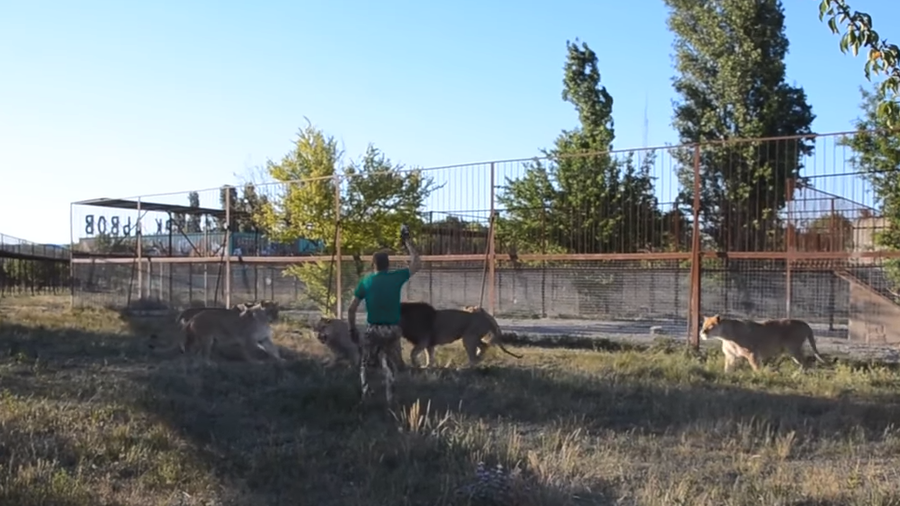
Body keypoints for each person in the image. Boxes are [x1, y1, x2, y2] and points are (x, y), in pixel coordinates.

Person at [347, 232, 420, 403]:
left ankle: (367, 396)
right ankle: (391, 398)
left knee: (367, 365)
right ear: (388, 265)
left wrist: (352, 329)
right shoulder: (396, 277)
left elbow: (351, 309)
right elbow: (417, 263)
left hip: (373, 330)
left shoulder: (366, 282)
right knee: (392, 365)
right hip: (393, 329)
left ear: (373, 265)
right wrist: (407, 241)